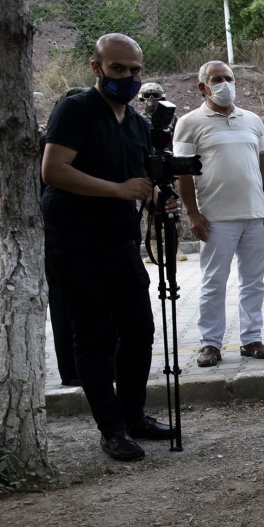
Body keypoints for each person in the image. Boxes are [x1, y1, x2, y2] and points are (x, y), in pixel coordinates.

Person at [40, 33, 176, 462]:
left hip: (122, 244)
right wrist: (119, 190)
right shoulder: (75, 110)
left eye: (135, 70)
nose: (129, 77)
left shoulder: (137, 124)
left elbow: (139, 184)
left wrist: (156, 196)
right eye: (118, 69)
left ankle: (134, 416)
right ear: (96, 68)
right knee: (93, 338)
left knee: (139, 331)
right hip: (75, 243)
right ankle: (111, 429)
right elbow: (53, 171)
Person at [173, 60, 264, 367]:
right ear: (203, 87)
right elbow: (183, 175)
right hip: (215, 218)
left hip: (254, 216)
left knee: (254, 281)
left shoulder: (252, 120)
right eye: (216, 79)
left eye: (228, 78)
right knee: (213, 282)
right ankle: (210, 343)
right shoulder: (189, 123)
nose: (224, 83)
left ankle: (252, 339)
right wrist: (192, 214)